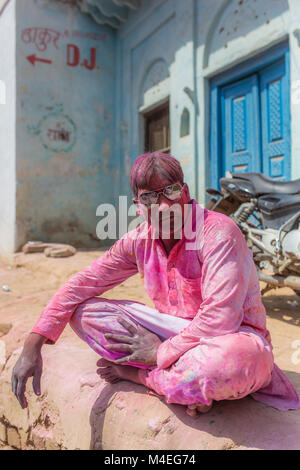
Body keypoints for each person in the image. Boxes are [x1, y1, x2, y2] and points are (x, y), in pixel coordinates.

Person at [11, 152, 300, 418]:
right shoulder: (139, 241)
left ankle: (142, 376)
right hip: (174, 333)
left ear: (184, 193)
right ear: (138, 206)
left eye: (170, 192)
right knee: (84, 313)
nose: (162, 206)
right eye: (149, 198)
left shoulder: (218, 232)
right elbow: (82, 284)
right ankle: (184, 381)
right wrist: (32, 345)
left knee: (235, 362)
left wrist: (158, 352)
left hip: (231, 336)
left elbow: (221, 319)